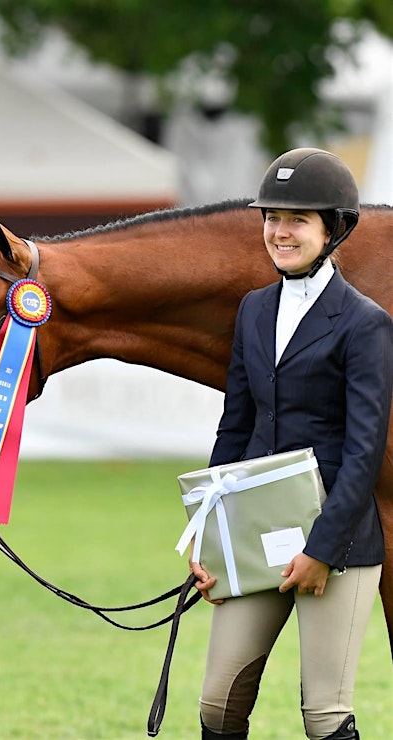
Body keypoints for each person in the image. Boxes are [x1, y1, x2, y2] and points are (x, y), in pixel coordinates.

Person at [191, 148, 393, 740]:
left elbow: (364, 450)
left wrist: (322, 550)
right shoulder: (253, 310)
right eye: (272, 218)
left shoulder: (365, 323)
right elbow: (235, 428)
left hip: (341, 544)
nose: (280, 232)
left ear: (334, 229)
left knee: (323, 717)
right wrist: (210, 533)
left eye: (297, 220)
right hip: (257, 537)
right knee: (217, 706)